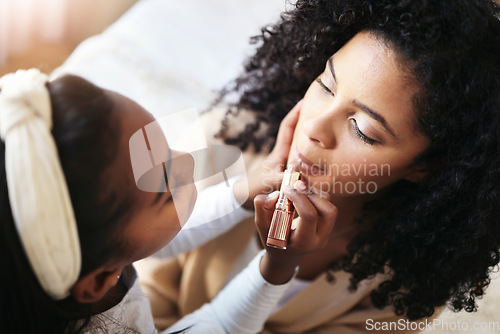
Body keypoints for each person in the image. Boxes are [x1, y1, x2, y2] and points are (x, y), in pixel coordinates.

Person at [138, 0, 500, 332]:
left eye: (363, 130)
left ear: (425, 167)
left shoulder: (411, 281)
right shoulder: (216, 141)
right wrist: (240, 196)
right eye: (326, 86)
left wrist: (278, 270)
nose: (313, 129)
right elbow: (132, 288)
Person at [0, 69, 337, 333]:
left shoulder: (86, 251)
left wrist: (243, 193)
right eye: (165, 188)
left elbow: (162, 238)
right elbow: (219, 326)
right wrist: (276, 269)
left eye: (162, 143)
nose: (188, 161)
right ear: (99, 282)